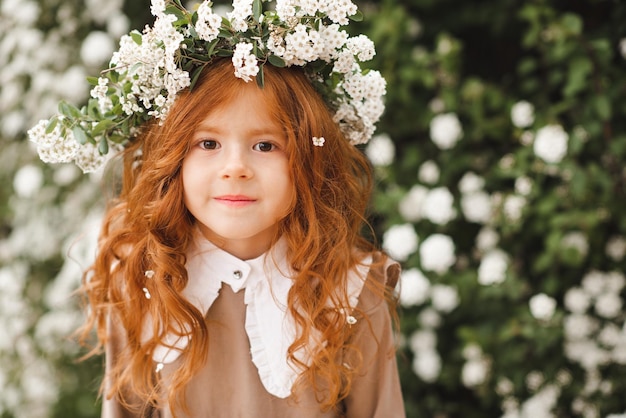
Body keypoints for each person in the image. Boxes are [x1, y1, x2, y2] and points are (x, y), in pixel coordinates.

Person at [29, 1, 404, 417]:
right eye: (208, 144)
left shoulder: (351, 291)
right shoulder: (141, 282)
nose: (236, 169)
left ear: (307, 161)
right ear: (174, 161)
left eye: (265, 145)